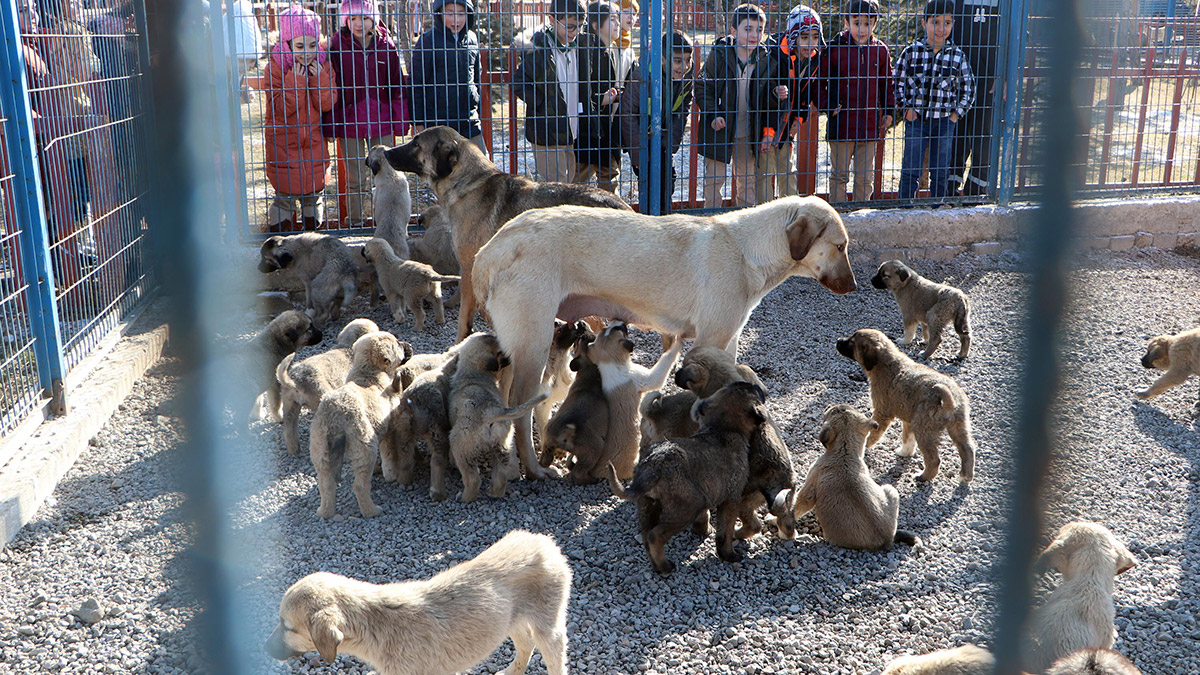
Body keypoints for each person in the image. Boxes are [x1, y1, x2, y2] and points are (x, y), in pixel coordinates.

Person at [321, 0, 406, 227]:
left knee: (387, 176)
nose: (359, 24)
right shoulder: (336, 46)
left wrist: (399, 120)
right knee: (355, 177)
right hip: (348, 122)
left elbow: (396, 86)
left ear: (374, 19)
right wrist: (330, 124)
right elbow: (329, 87)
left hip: (382, 121)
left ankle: (386, 224)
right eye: (353, 18)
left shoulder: (386, 46)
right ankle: (355, 223)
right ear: (346, 20)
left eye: (365, 18)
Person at [696, 3, 786, 209]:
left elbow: (769, 99)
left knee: (747, 181)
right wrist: (713, 114)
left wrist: (776, 94)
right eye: (748, 29)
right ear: (734, 31)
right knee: (714, 180)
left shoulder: (765, 60)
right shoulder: (719, 55)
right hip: (720, 129)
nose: (755, 34)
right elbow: (702, 87)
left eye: (759, 29)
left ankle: (743, 223)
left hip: (748, 131)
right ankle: (712, 218)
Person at [263, 4, 337, 232]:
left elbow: (326, 104)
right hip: (283, 143)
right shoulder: (274, 68)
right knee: (283, 195)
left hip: (313, 144)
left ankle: (312, 236)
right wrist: (295, 80)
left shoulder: (323, 65)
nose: (307, 51)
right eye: (299, 46)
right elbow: (279, 108)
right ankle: (281, 239)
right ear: (286, 44)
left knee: (313, 196)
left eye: (313, 45)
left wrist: (317, 80)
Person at [894, 0, 975, 202]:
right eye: (935, 22)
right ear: (924, 23)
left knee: (940, 170)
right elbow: (896, 82)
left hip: (944, 121)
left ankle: (937, 208)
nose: (941, 29)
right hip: (916, 119)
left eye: (946, 23)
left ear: (952, 24)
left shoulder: (957, 56)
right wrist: (905, 109)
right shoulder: (911, 52)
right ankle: (904, 207)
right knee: (911, 167)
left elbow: (969, 88)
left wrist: (956, 114)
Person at [816, 0, 893, 203]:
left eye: (868, 24)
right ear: (847, 21)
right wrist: (827, 105)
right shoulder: (834, 49)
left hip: (868, 126)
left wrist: (889, 111)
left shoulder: (880, 50)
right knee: (839, 175)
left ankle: (861, 217)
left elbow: (887, 85)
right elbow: (818, 81)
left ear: (875, 24)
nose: (862, 29)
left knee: (864, 178)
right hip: (841, 124)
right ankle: (838, 216)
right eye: (857, 23)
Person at [513, 0, 591, 183]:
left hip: (571, 126)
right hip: (547, 131)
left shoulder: (579, 46)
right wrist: (543, 104)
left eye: (580, 27)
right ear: (552, 20)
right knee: (556, 184)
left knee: (569, 181)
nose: (575, 32)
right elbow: (518, 82)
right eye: (570, 27)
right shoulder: (539, 49)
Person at [619, 30, 694, 212]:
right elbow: (628, 114)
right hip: (642, 138)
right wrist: (638, 153)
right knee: (650, 184)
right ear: (662, 58)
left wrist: (671, 144)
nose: (684, 66)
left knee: (668, 181)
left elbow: (683, 110)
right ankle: (651, 220)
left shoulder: (686, 79)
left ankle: (660, 217)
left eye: (687, 60)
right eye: (677, 61)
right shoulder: (643, 76)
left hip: (663, 139)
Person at [760, 4, 824, 200]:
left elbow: (804, 94)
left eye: (814, 37)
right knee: (764, 173)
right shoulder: (775, 56)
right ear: (794, 36)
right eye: (804, 37)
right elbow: (762, 96)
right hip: (766, 127)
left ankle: (789, 214)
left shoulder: (813, 59)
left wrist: (800, 117)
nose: (810, 43)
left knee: (787, 172)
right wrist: (768, 132)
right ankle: (763, 218)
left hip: (787, 128)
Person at [410, 0, 487, 153]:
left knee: (482, 164)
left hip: (469, 120)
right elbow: (416, 83)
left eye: (461, 13)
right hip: (437, 122)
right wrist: (418, 121)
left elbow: (476, 76)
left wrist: (474, 101)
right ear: (439, 13)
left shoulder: (472, 38)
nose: (456, 20)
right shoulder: (427, 40)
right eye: (450, 13)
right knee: (443, 173)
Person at [947, 0, 1000, 197]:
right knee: (955, 135)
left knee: (983, 136)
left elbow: (1017, 34)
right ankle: (948, 190)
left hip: (989, 81)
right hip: (955, 79)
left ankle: (975, 192)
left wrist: (1003, 75)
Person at [574, 0, 622, 192]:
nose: (618, 24)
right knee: (580, 181)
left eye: (617, 19)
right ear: (595, 25)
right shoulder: (587, 52)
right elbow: (576, 89)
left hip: (603, 128)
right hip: (586, 128)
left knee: (609, 175)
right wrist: (599, 99)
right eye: (612, 19)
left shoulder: (607, 51)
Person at [227, 0, 264, 104]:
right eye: (241, 59)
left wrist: (242, 92)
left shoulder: (236, 69)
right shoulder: (214, 76)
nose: (247, 66)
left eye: (251, 60)